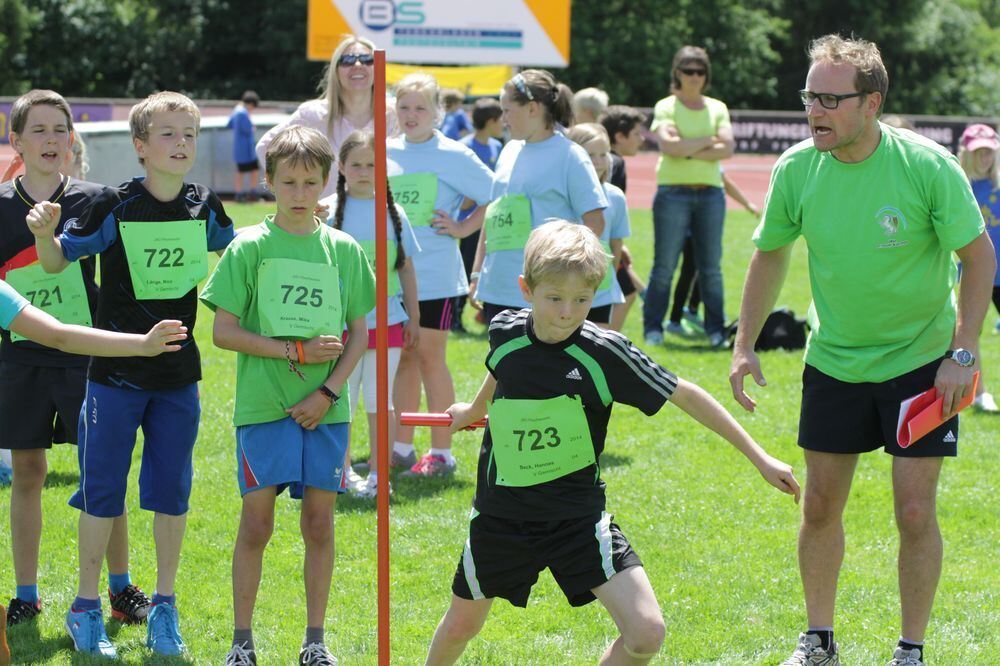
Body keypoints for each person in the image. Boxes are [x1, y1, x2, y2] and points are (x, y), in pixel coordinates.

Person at [728, 35, 995, 666]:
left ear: (870, 103)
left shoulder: (927, 165)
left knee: (912, 510)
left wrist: (964, 351)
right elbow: (769, 253)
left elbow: (978, 256)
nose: (813, 111)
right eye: (808, 96)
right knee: (818, 505)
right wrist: (743, 344)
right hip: (835, 360)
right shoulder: (797, 167)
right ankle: (818, 641)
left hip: (922, 364)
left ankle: (911, 649)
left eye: (829, 98)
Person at [424, 221, 800, 665]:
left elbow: (685, 394)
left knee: (646, 633)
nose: (567, 312)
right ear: (526, 289)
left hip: (577, 519)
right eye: (555, 299)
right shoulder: (505, 330)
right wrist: (472, 410)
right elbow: (500, 367)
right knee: (462, 625)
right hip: (503, 515)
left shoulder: (605, 352)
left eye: (582, 300)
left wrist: (759, 457)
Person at [28, 91, 236, 657]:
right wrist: (46, 235)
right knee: (102, 493)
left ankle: (164, 607)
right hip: (113, 379)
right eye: (167, 134)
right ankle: (86, 608)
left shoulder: (203, 204)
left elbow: (238, 256)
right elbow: (55, 262)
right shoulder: (114, 205)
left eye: (189, 134)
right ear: (140, 146)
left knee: (172, 494)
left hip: (179, 379)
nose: (181, 144)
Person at [201, 125, 375, 666]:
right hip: (264, 407)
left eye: (310, 182)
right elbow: (223, 331)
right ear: (270, 182)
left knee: (319, 524)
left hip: (326, 411)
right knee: (257, 524)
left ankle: (315, 641)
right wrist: (294, 352)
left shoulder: (343, 249)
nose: (299, 194)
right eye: (288, 182)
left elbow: (359, 334)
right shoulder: (248, 246)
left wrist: (326, 392)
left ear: (326, 184)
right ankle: (242, 641)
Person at [1, 90, 149, 633]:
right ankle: (26, 593)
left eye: (60, 129)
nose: (50, 140)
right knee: (28, 473)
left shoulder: (97, 199)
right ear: (15, 141)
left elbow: (154, 220)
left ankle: (120, 587)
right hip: (19, 361)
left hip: (87, 358)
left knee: (102, 474)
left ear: (72, 139)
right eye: (37, 130)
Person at [386, 73, 495, 479]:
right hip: (394, 279)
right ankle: (400, 447)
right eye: (404, 106)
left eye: (420, 108)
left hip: (436, 278)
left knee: (431, 358)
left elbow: (496, 194)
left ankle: (442, 453)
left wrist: (463, 227)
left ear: (437, 112)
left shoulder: (453, 155)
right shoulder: (385, 151)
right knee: (402, 360)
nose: (411, 115)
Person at [321, 129, 421, 498]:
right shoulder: (327, 211)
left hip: (389, 323)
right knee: (342, 400)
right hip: (340, 327)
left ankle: (381, 476)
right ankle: (342, 472)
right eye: (357, 164)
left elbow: (406, 268)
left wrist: (414, 315)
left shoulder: (395, 213)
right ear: (343, 167)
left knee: (381, 403)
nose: (365, 171)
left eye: (373, 165)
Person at [470, 69, 607, 325]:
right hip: (497, 287)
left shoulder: (570, 155)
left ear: (532, 108)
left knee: (543, 366)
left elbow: (595, 223)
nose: (504, 119)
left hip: (544, 295)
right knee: (499, 365)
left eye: (508, 110)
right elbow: (494, 214)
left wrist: (564, 278)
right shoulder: (509, 150)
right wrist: (478, 272)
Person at [643, 45, 735, 348]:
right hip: (672, 193)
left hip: (711, 194)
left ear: (706, 75)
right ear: (677, 74)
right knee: (664, 267)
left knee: (711, 269)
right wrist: (708, 142)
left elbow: (728, 148)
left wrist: (687, 147)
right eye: (688, 71)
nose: (694, 77)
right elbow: (669, 147)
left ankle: (716, 330)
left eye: (700, 71)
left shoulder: (717, 107)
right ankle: (653, 328)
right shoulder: (666, 106)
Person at [255, 34, 397, 198]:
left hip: (383, 221)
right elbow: (265, 147)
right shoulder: (312, 115)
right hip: (328, 220)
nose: (357, 64)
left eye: (366, 59)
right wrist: (293, 191)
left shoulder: (397, 115)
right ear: (336, 70)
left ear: (378, 66)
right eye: (347, 60)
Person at [566, 123, 630, 327]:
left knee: (594, 346)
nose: (598, 161)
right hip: (562, 284)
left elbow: (616, 243)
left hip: (600, 289)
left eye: (604, 154)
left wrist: (608, 277)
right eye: (590, 155)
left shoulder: (615, 196)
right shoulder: (561, 194)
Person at [957, 123, 999, 412]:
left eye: (989, 152)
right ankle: (980, 392)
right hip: (972, 274)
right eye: (979, 152)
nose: (984, 157)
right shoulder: (959, 186)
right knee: (970, 332)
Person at [453, 98, 504, 329]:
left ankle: (487, 315)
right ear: (492, 120)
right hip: (471, 221)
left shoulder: (497, 145)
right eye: (501, 118)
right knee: (465, 266)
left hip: (495, 217)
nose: (504, 123)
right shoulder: (465, 146)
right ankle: (455, 316)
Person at [227, 90, 262, 202]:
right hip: (247, 150)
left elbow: (229, 124)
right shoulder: (243, 113)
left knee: (240, 172)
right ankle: (253, 192)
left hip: (239, 149)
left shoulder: (236, 111)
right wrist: (252, 127)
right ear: (251, 104)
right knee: (254, 170)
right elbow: (248, 130)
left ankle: (239, 194)